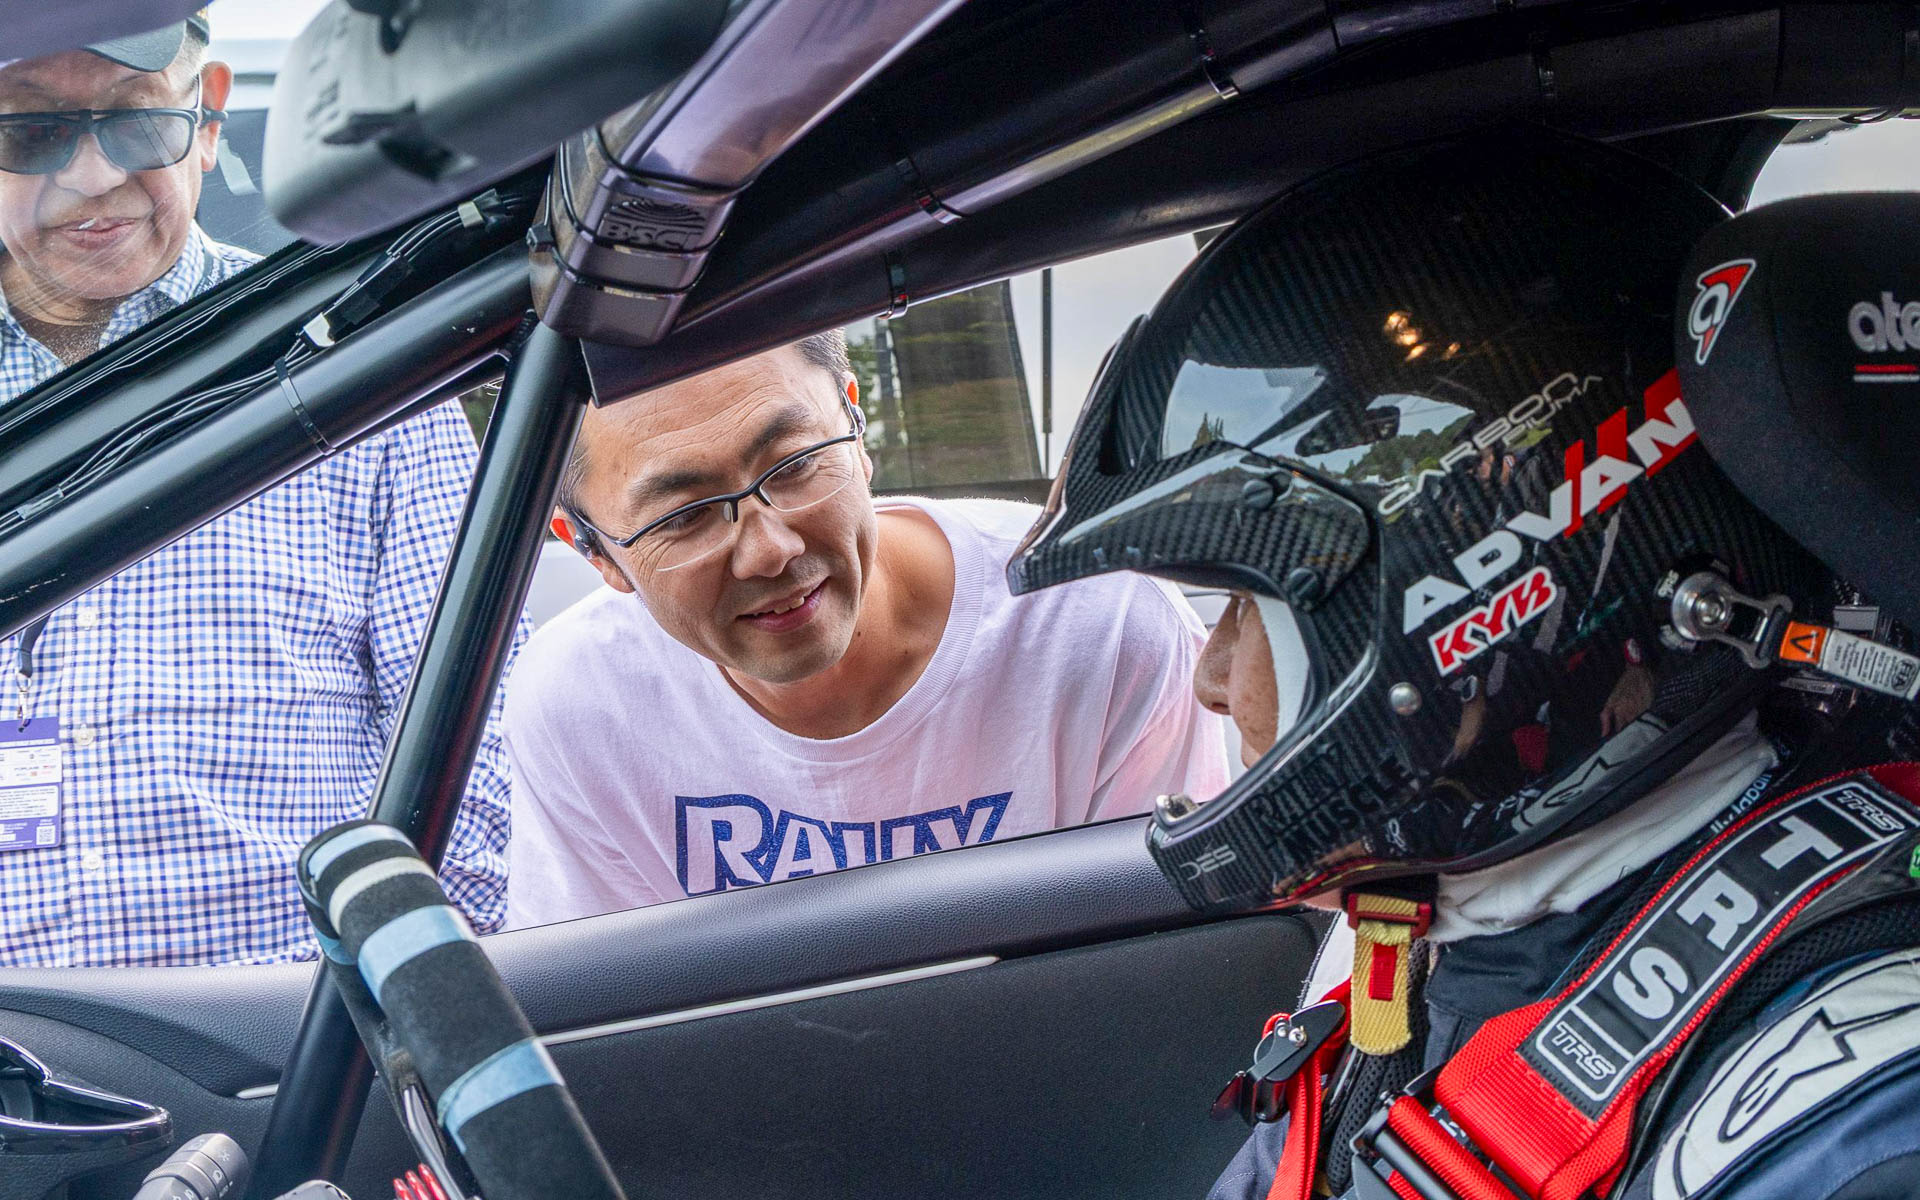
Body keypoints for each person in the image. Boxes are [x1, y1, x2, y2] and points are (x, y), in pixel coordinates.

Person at [1006, 127, 1920, 1198]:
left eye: (1241, 611)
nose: (1210, 678)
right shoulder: (1423, 929)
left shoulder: (1846, 1133)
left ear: (1476, 593)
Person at [0, 16, 516, 965]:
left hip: (281, 1048)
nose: (91, 176)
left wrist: (387, 1014)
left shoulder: (360, 369)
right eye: (29, 133)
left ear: (208, 119)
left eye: (134, 122)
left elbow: (477, 746)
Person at [503, 331, 1230, 922]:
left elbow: (1177, 956)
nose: (772, 549)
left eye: (793, 464)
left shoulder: (1095, 625)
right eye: (684, 517)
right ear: (593, 550)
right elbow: (607, 1023)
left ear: (855, 426)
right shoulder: (582, 705)